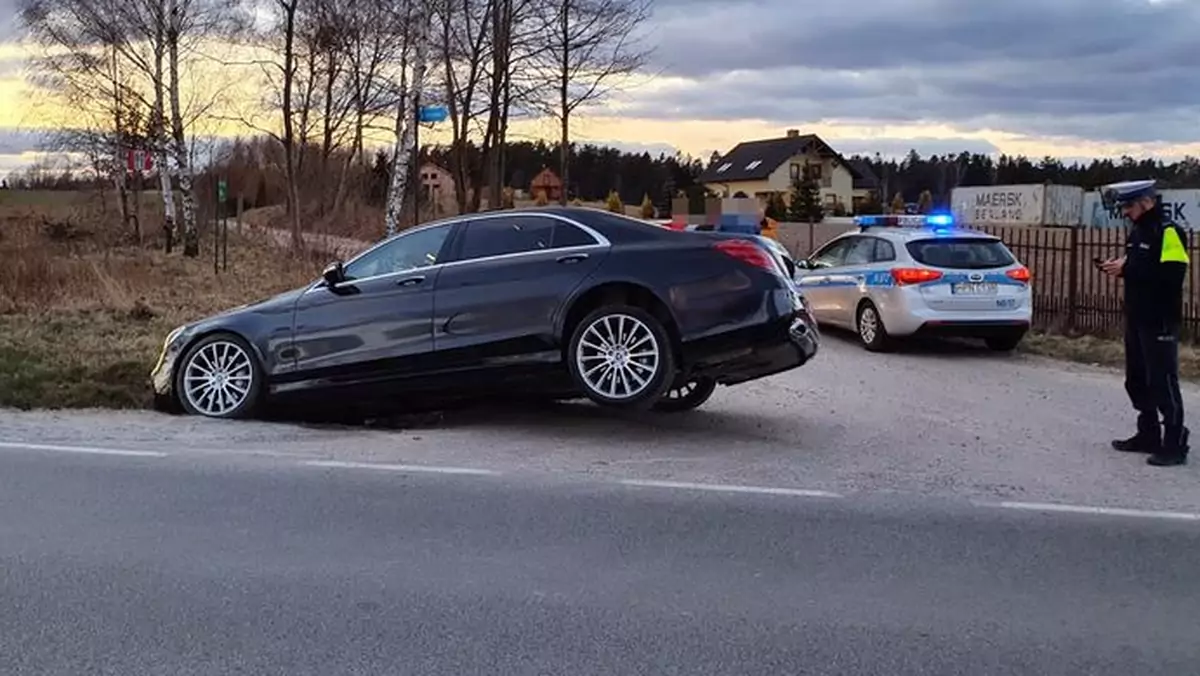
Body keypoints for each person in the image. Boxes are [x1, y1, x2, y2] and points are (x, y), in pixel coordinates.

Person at [1099, 179, 1190, 467]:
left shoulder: (1168, 231)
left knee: (1162, 380)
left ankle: (1174, 443)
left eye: (1129, 205)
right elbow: (1141, 266)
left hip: (1159, 318)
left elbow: (1173, 275)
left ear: (1146, 202)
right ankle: (1148, 433)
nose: (1125, 212)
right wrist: (1123, 267)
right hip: (1137, 316)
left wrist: (1129, 267)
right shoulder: (1139, 230)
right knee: (1137, 379)